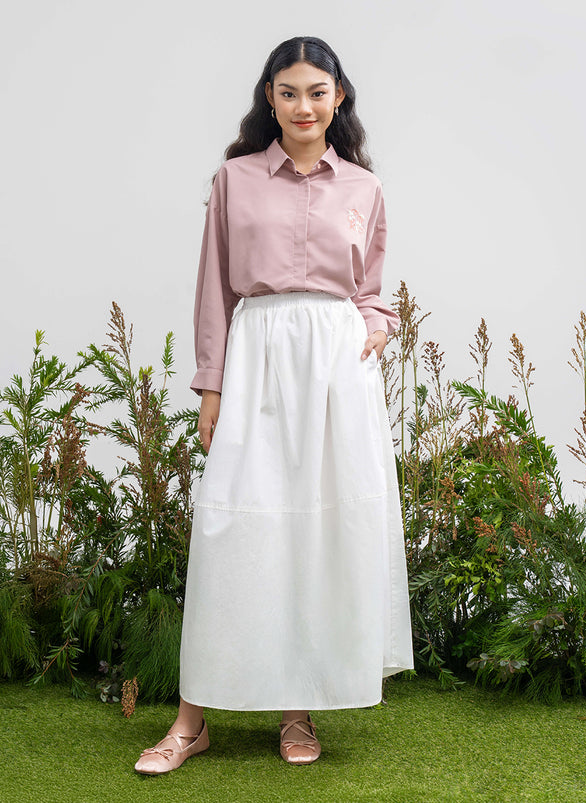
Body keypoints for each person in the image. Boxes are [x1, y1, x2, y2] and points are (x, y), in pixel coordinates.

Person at [134, 35, 413, 774]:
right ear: (270, 98)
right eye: (288, 92)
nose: (303, 106)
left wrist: (374, 329)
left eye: (317, 92)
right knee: (232, 527)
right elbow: (214, 288)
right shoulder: (234, 179)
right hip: (256, 357)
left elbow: (371, 292)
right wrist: (212, 386)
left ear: (338, 97)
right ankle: (190, 722)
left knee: (315, 532)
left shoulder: (364, 188)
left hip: (336, 371)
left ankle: (298, 708)